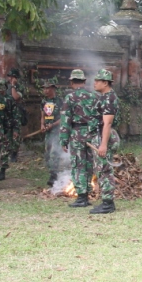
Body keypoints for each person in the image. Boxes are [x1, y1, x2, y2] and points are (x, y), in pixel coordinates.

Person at [59, 69, 98, 208]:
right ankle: (87, 193)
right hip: (91, 134)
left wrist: (64, 140)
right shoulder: (93, 96)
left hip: (77, 134)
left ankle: (81, 197)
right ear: (84, 81)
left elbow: (66, 120)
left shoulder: (70, 97)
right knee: (89, 164)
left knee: (78, 165)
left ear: (71, 82)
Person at [89, 69, 119, 215]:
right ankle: (106, 201)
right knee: (101, 169)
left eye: (97, 81)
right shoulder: (104, 97)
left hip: (104, 136)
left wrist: (103, 144)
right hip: (100, 135)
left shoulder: (109, 99)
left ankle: (108, 204)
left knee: (104, 170)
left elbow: (107, 123)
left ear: (105, 83)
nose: (94, 83)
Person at [39, 77, 63, 187]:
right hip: (48, 131)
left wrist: (53, 125)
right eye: (44, 88)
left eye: (47, 88)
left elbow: (63, 118)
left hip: (57, 130)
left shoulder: (60, 101)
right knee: (47, 152)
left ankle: (54, 175)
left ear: (53, 88)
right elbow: (43, 115)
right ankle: (51, 171)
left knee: (55, 152)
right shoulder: (44, 101)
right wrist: (42, 125)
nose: (45, 90)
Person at [4, 67, 27, 167]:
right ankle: (7, 151)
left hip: (17, 112)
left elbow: (16, 97)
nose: (9, 78)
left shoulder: (19, 87)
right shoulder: (6, 86)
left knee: (16, 133)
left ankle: (14, 153)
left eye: (12, 77)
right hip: (7, 111)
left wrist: (13, 86)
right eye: (9, 76)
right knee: (7, 132)